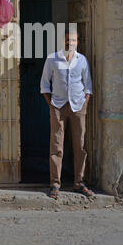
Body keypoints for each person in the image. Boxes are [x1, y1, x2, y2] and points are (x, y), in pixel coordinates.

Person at [40, 28, 94, 199]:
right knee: (57, 146)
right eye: (66, 40)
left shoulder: (82, 60)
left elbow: (88, 85)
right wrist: (51, 105)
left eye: (73, 40)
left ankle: (79, 183)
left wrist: (84, 102)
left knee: (80, 145)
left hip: (78, 106)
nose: (69, 43)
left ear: (77, 42)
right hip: (58, 106)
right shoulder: (52, 59)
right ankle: (55, 184)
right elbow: (44, 84)